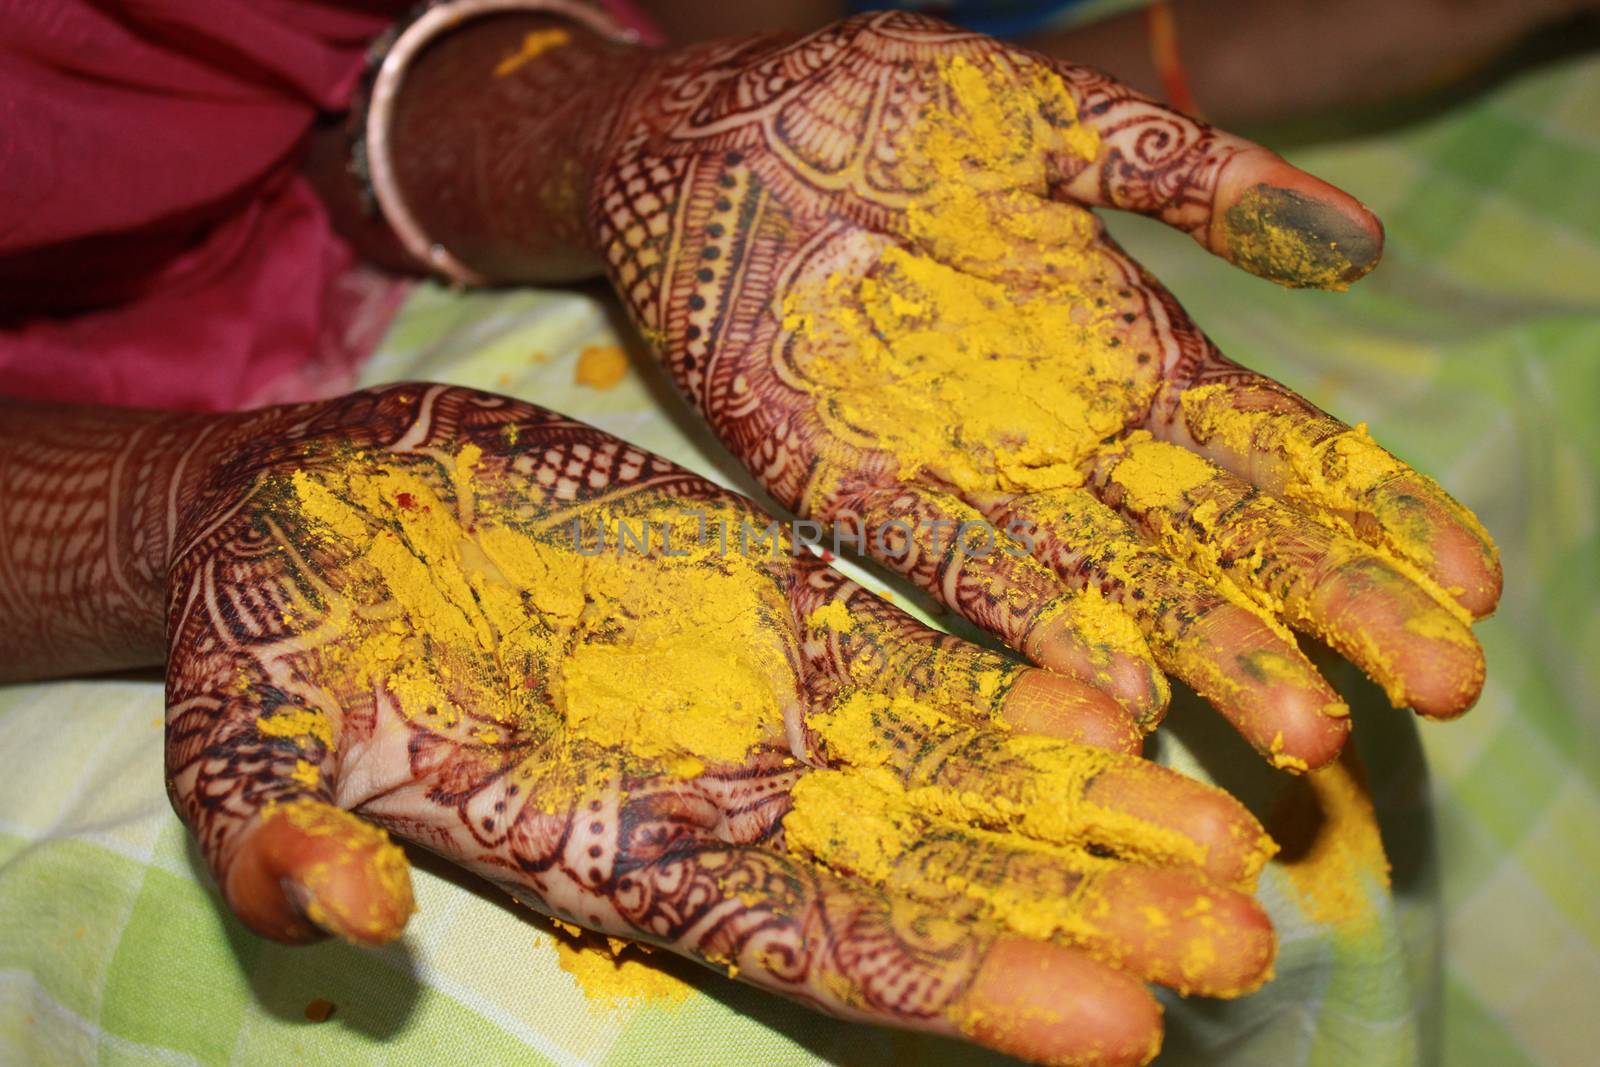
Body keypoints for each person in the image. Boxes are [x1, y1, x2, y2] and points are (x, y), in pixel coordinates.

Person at [0, 3, 1514, 1064]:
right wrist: (160, 514)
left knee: (1279, 754)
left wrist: (613, 134)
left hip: (313, 267)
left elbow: (267, 94)